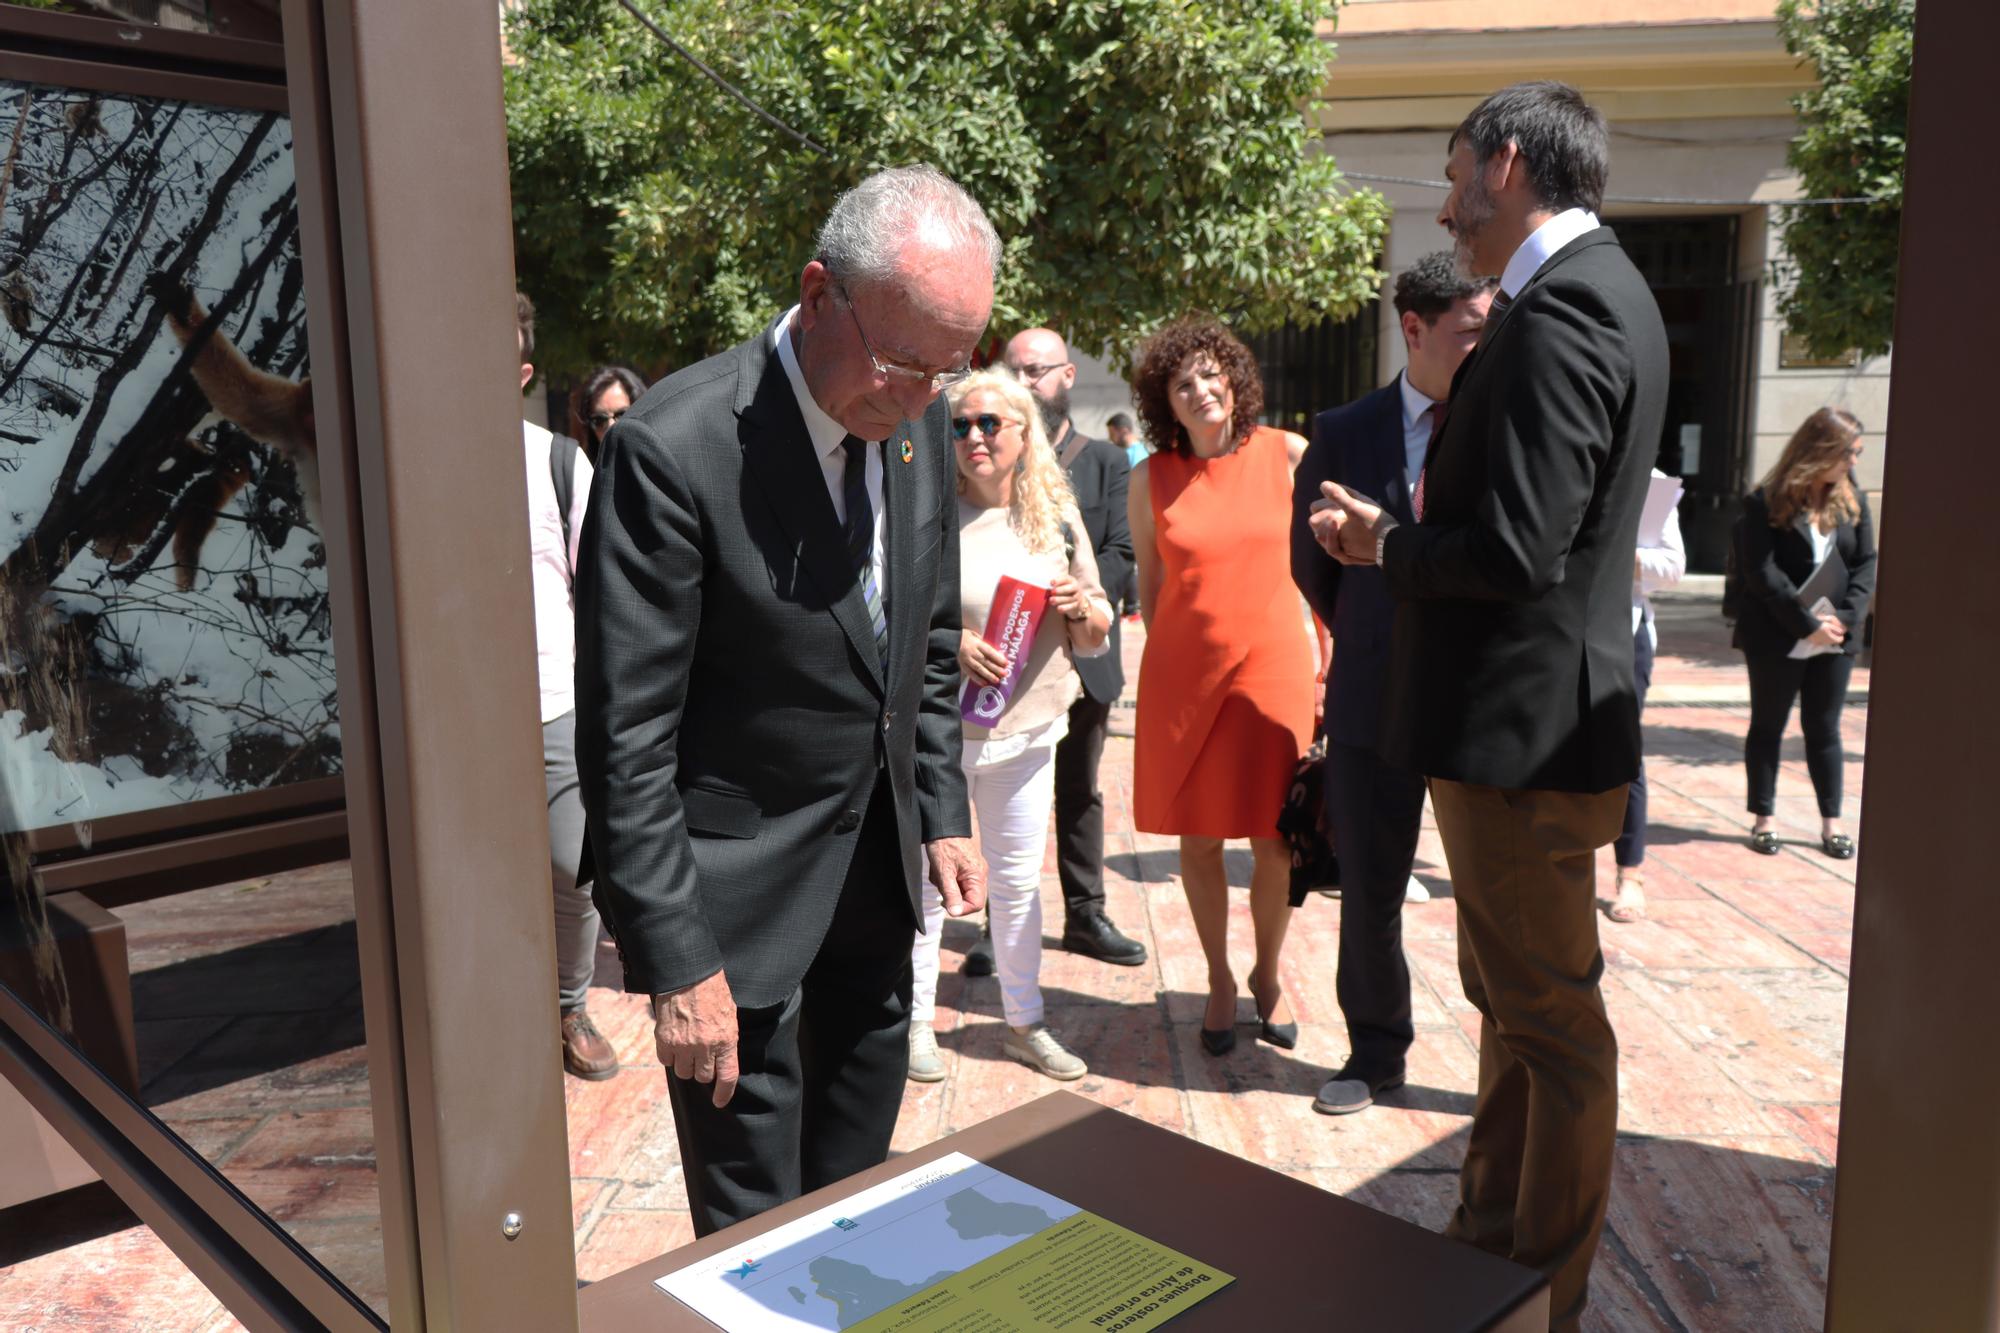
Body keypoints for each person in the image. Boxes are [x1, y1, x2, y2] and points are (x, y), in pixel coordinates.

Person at [573, 166, 992, 1236]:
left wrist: (939, 803)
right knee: (755, 1235)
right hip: (737, 915)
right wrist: (676, 959)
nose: (920, 398)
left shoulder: (914, 418)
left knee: (856, 1203)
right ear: (817, 294)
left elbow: (923, 643)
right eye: (904, 363)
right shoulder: (674, 449)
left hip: (875, 893)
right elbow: (626, 739)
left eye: (948, 370)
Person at [1312, 82, 1668, 1331]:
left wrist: (1384, 547)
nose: (1445, 196)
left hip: (1523, 737)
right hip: (1518, 732)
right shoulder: (1583, 296)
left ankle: (1538, 1294)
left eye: (1456, 165)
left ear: (1508, 164)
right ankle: (1486, 1246)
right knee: (1514, 1010)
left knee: (1550, 1028)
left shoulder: (1563, 313)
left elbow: (1516, 549)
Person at [1290, 252, 1494, 1116]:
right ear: (1414, 329)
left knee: (1492, 898)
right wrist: (1376, 634)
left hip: (1481, 701)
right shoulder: (1344, 429)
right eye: (1469, 332)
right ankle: (1376, 1052)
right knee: (1370, 885)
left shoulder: (1503, 419)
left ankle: (1509, 1067)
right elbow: (1314, 565)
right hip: (1374, 694)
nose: (1485, 349)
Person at [906, 371, 1113, 1084]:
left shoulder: (1053, 517)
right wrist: (954, 641)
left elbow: (1097, 630)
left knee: (1018, 886)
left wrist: (1081, 605)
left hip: (1026, 734)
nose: (974, 438)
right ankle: (914, 1027)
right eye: (960, 426)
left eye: (991, 423)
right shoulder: (929, 514)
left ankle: (1024, 1022)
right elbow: (898, 624)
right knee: (931, 887)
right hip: (940, 740)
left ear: (1024, 432)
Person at [1128, 316, 1321, 1057]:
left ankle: (1267, 972)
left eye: (1212, 374)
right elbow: (1150, 583)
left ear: (1234, 379)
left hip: (1274, 668)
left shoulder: (1289, 454)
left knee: (1275, 840)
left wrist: (1325, 658)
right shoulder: (1150, 477)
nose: (1202, 390)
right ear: (1165, 403)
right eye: (1184, 384)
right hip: (1184, 677)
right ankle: (1217, 979)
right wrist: (1180, 656)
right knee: (1200, 839)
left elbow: (1322, 569)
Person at [996, 327, 1145, 968]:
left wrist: (1071, 597)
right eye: (1015, 371)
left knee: (1079, 788)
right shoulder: (991, 456)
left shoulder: (1109, 462)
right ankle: (994, 929)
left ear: (1067, 376)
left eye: (1038, 371)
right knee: (996, 793)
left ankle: (1085, 913)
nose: (1026, 383)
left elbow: (1122, 552)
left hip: (1086, 652)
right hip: (1007, 661)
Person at [516, 293, 616, 1082]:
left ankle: (567, 1002)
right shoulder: (413, 466)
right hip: (453, 717)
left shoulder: (557, 460)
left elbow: (599, 586)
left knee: (569, 859)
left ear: (520, 372)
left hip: (554, 695)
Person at [1731, 408, 1875, 860]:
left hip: (1835, 637)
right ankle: (1764, 819)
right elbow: (1761, 572)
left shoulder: (1854, 500)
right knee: (1769, 725)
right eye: (1849, 453)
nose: (1853, 462)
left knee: (1825, 728)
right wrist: (1806, 624)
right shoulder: (1764, 500)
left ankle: (1832, 824)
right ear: (1821, 450)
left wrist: (1844, 620)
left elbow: (1865, 564)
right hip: (1778, 633)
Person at [1607, 469, 1686, 922]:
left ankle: (1630, 873)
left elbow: (1674, 566)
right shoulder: (1564, 458)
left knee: (1625, 755)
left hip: (1626, 631)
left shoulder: (1651, 483)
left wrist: (1621, 555)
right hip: (1559, 631)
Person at [1104, 412, 1148, 619]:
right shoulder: (1139, 453)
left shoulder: (1134, 457)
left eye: (1112, 433)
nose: (1111, 438)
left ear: (1122, 431)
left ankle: (1133, 606)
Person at [570, 363, 647, 461]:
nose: (611, 426)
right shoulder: (586, 473)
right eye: (599, 420)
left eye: (622, 414)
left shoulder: (664, 469)